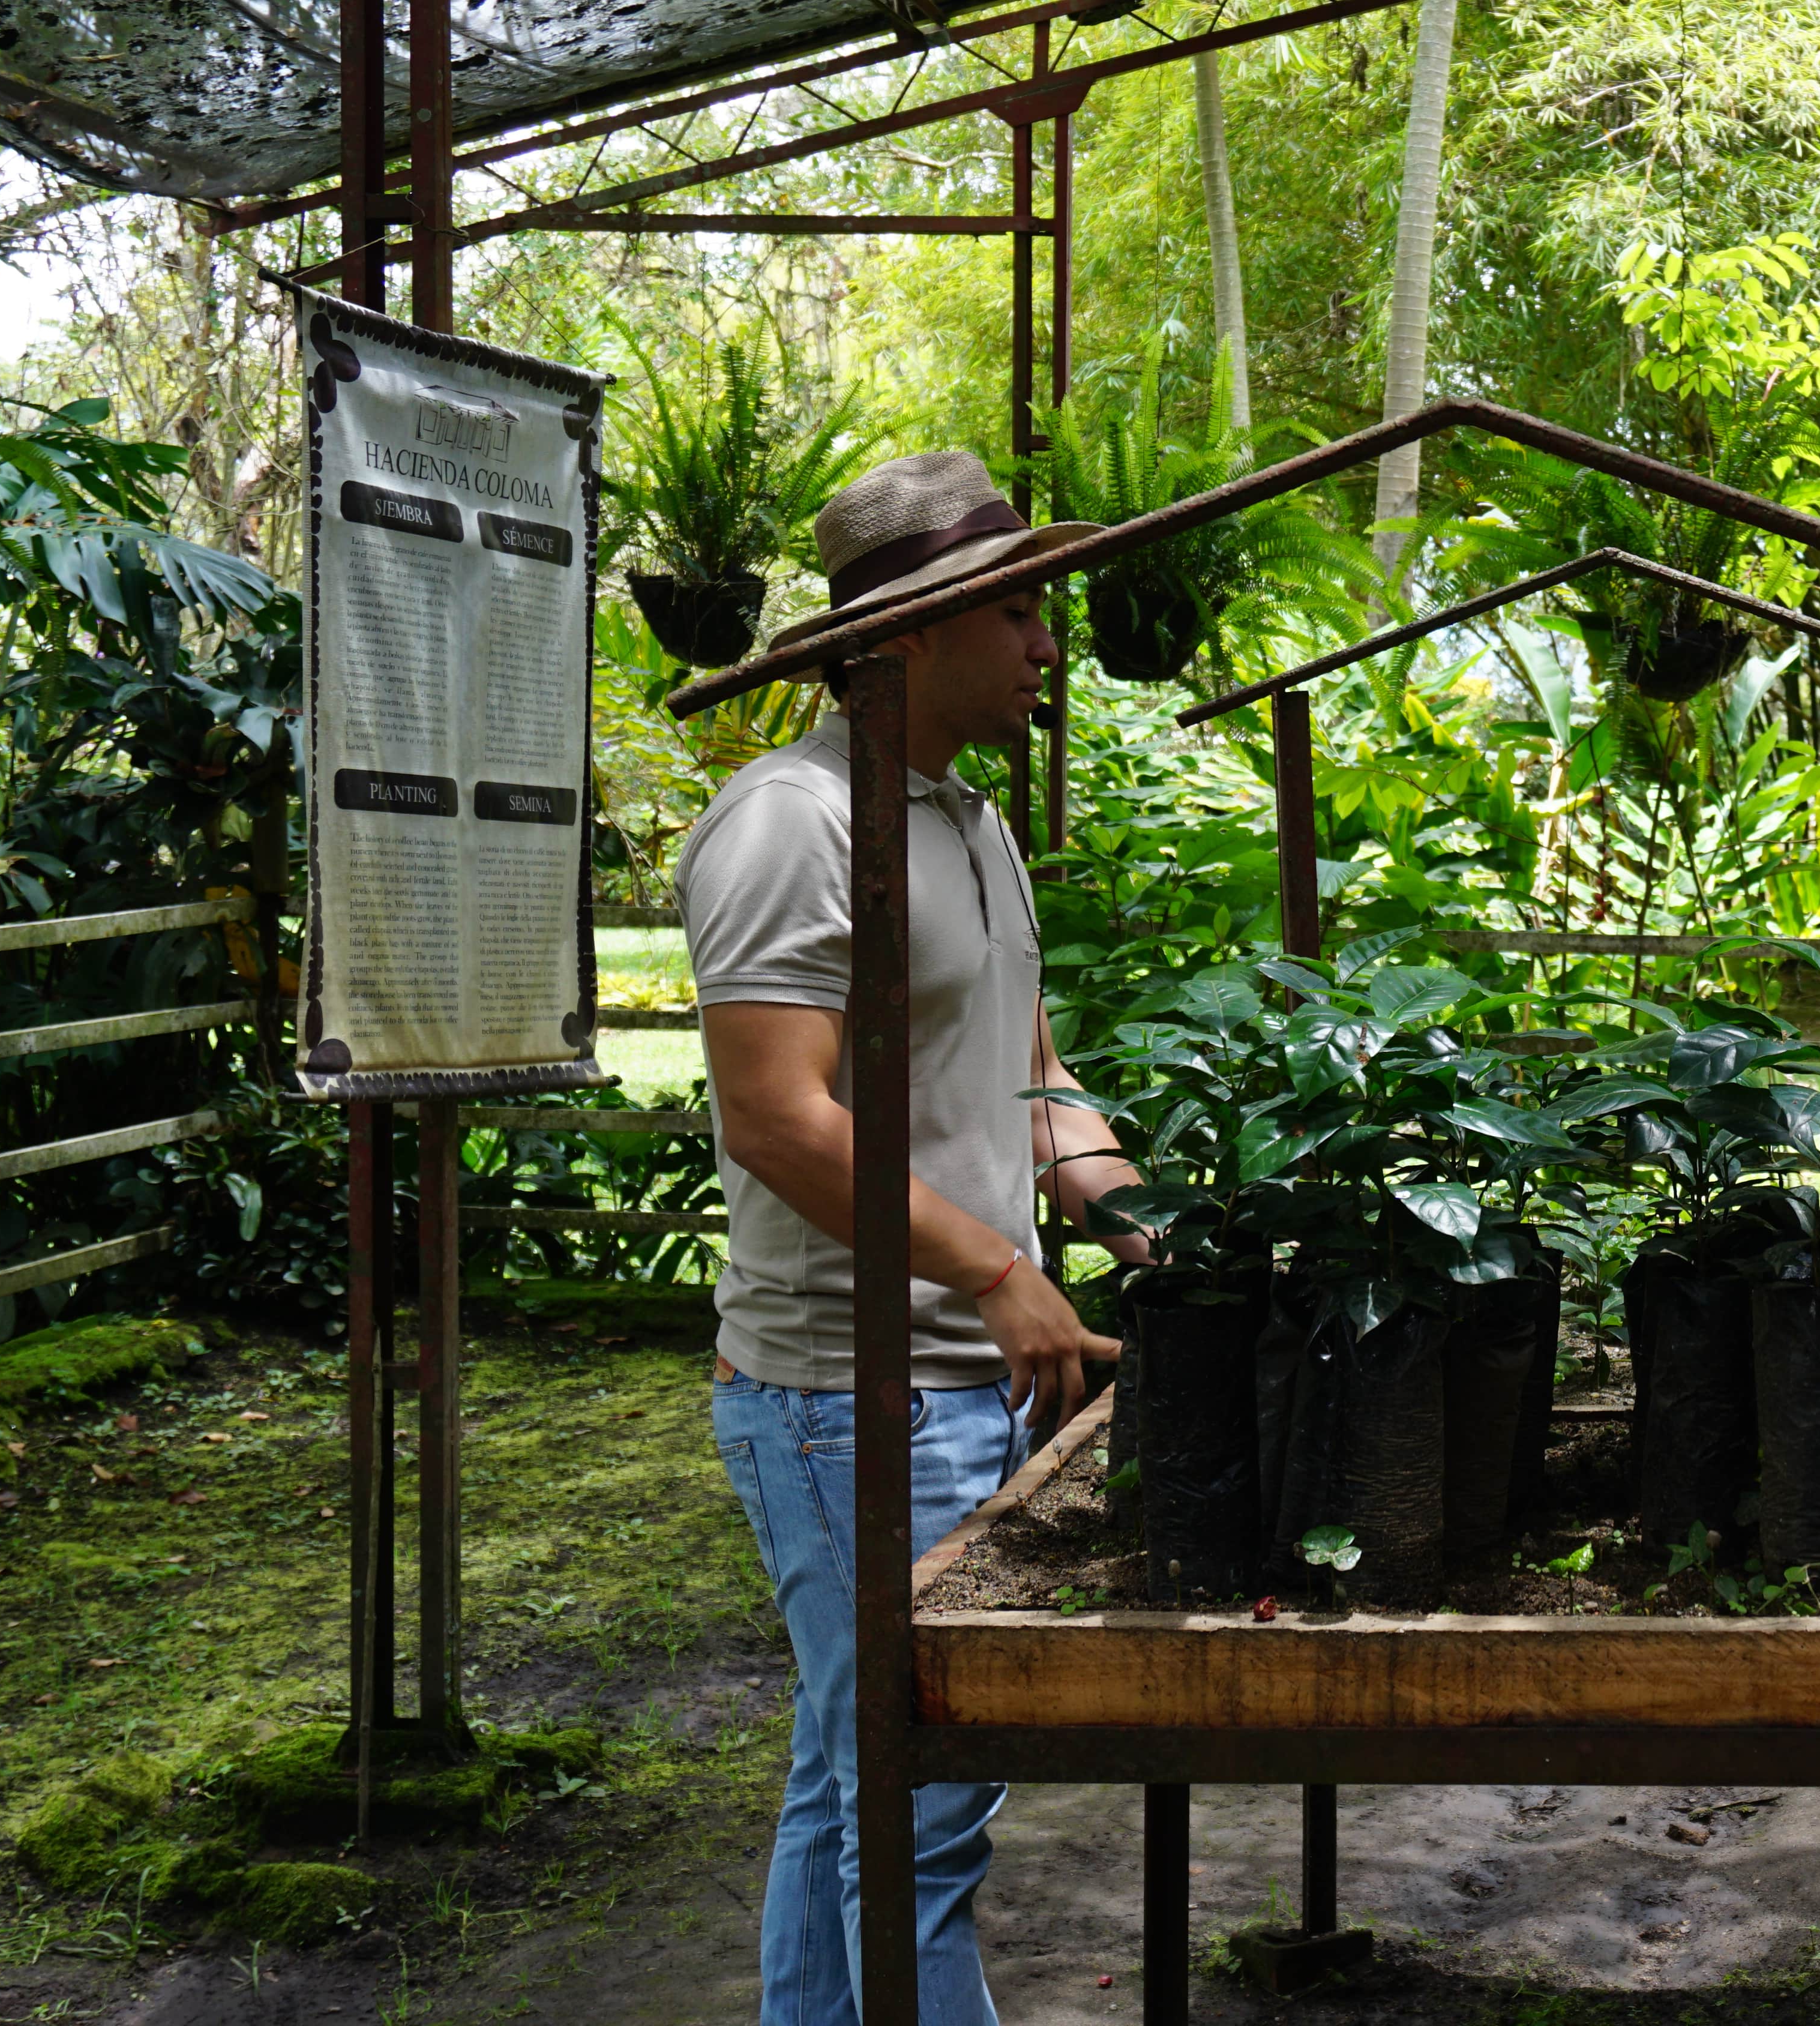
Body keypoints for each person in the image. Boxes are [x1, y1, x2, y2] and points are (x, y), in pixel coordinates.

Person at [683, 451, 1150, 2025]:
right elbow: (777, 1117)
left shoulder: (967, 821)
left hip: (959, 1385)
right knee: (918, 1811)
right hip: (847, 1398)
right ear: (914, 629)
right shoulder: (792, 821)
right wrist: (995, 1270)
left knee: (859, 1782)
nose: (1045, 642)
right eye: (1017, 610)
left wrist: (1151, 1231)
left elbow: (1034, 1080)